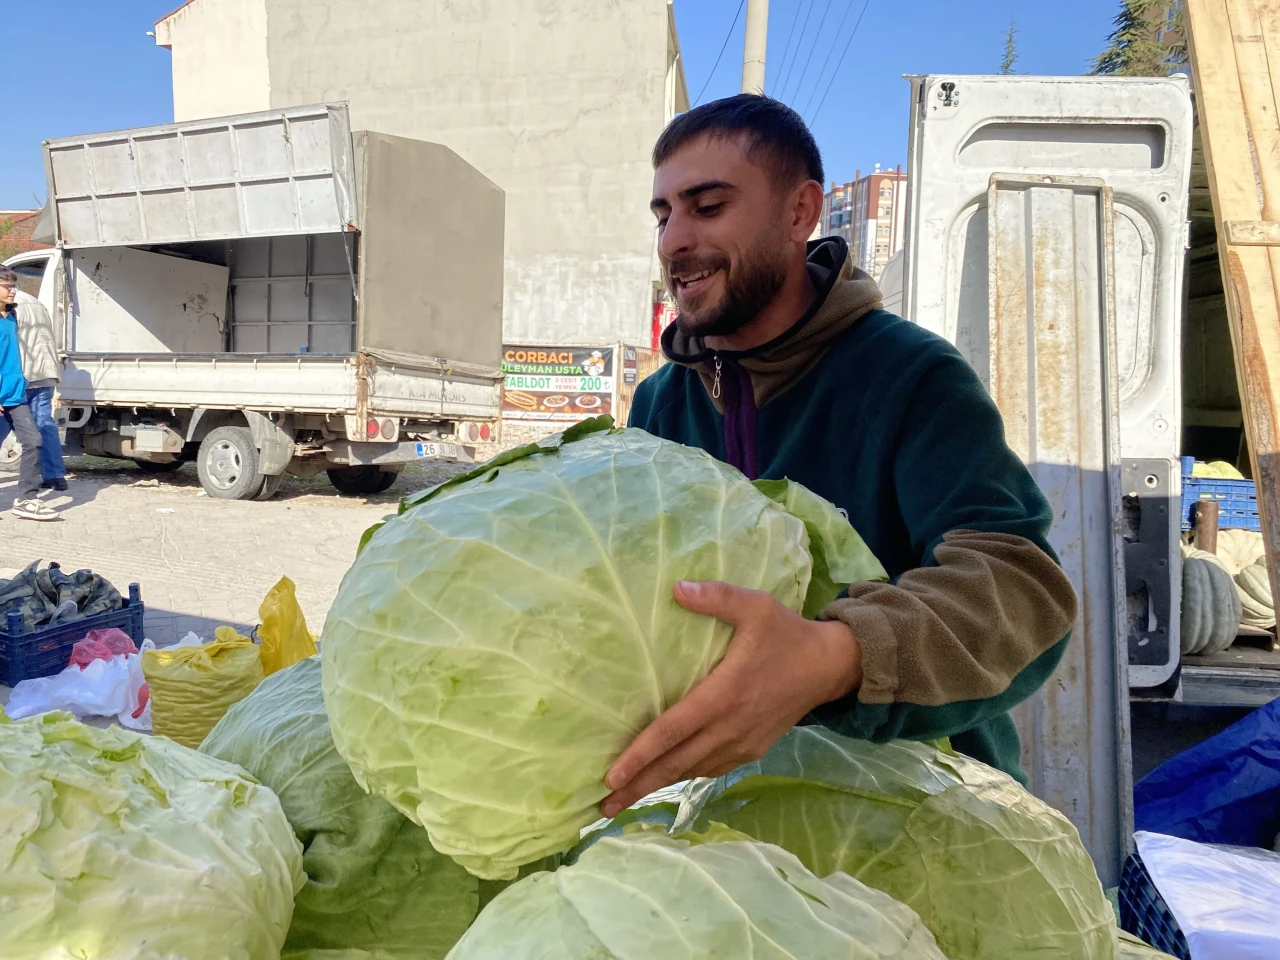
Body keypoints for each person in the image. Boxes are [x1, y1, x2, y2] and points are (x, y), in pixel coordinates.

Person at [600, 96, 1077, 818]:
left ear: (800, 214)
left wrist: (833, 657)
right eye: (664, 214)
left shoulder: (910, 377)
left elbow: (1020, 590)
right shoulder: (660, 404)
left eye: (708, 206)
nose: (674, 241)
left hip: (916, 815)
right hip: (715, 819)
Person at [0, 266, 57, 521]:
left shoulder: (11, 317)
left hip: (15, 395)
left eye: (14, 286)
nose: (13, 291)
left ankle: (26, 498)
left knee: (33, 441)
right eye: (7, 286)